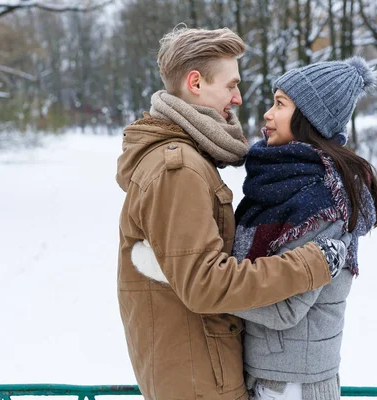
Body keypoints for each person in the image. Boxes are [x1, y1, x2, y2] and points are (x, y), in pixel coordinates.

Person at [116, 26, 350, 400]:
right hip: (200, 378)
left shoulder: (184, 161)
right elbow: (203, 284)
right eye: (230, 85)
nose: (239, 98)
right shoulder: (180, 168)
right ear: (195, 82)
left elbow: (193, 274)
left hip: (198, 370)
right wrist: (312, 264)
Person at [230, 56, 377, 400]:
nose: (268, 114)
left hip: (292, 386)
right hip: (272, 377)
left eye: (280, 104)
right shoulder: (284, 183)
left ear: (309, 118)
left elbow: (285, 306)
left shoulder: (322, 197)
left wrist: (199, 283)